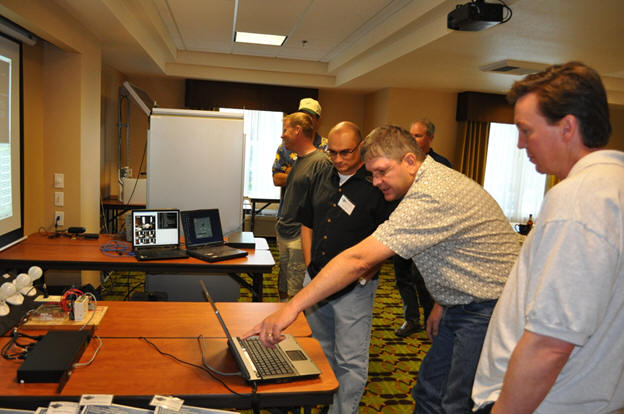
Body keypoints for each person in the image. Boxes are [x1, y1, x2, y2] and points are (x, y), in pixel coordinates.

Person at [248, 125, 520, 413]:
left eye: (381, 171)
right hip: (464, 301)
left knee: (457, 401)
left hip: (489, 306)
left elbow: (358, 261)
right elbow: (459, 252)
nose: (375, 182)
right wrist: (443, 300)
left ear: (410, 161)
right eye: (372, 173)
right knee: (429, 391)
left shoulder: (431, 194)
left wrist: (292, 308)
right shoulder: (429, 181)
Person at [472, 62, 624, 414]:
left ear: (567, 127)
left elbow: (551, 342)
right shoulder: (613, 186)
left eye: (527, 131)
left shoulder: (580, 196)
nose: (521, 144)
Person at [299, 121, 393, 414]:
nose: (338, 159)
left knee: (349, 360)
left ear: (361, 147)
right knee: (319, 348)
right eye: (332, 152)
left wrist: (367, 274)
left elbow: (390, 235)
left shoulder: (376, 183)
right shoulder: (321, 175)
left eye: (346, 153)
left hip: (355, 287)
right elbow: (307, 223)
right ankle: (322, 403)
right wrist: (309, 266)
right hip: (316, 280)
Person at [394, 119, 452, 337]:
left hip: (428, 234)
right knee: (403, 276)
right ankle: (411, 319)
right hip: (404, 229)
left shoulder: (441, 164)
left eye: (417, 135)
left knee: (423, 279)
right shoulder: (403, 162)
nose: (413, 139)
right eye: (411, 134)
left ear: (430, 138)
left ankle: (431, 322)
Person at [272, 98, 327, 300]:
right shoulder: (300, 159)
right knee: (284, 285)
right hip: (285, 230)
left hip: (298, 234)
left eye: (285, 129)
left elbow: (319, 204)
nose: (282, 134)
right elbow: (278, 180)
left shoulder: (320, 161)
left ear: (297, 131)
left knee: (297, 293)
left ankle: (294, 330)